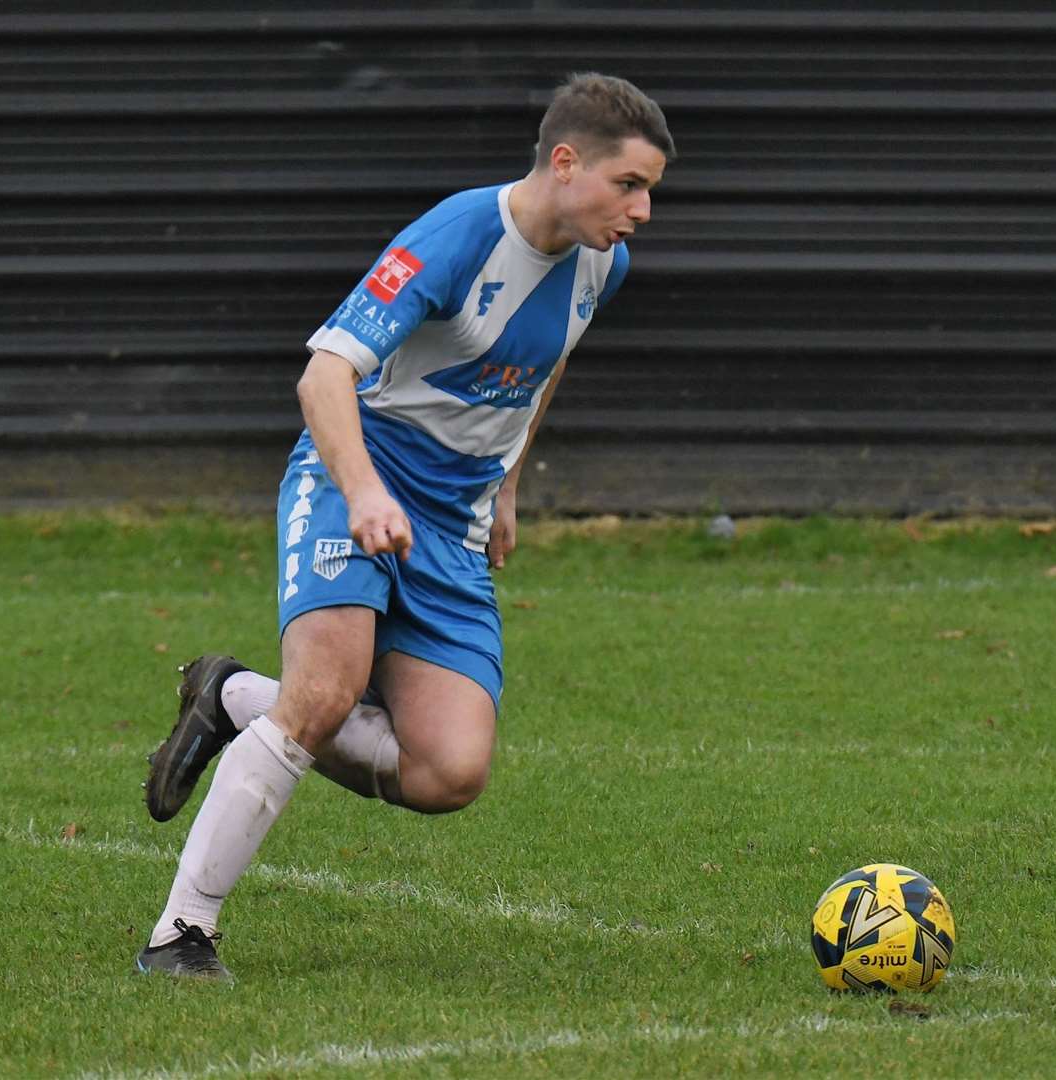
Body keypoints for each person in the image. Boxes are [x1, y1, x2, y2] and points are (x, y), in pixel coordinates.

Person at [135, 72, 675, 980]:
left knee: (448, 773)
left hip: (453, 522)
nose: (644, 210)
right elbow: (321, 378)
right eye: (630, 185)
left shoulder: (600, 262)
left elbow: (541, 371)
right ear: (566, 161)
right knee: (324, 692)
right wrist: (366, 491)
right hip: (357, 475)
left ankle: (231, 698)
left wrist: (504, 485)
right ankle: (181, 935)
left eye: (651, 189)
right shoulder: (457, 236)